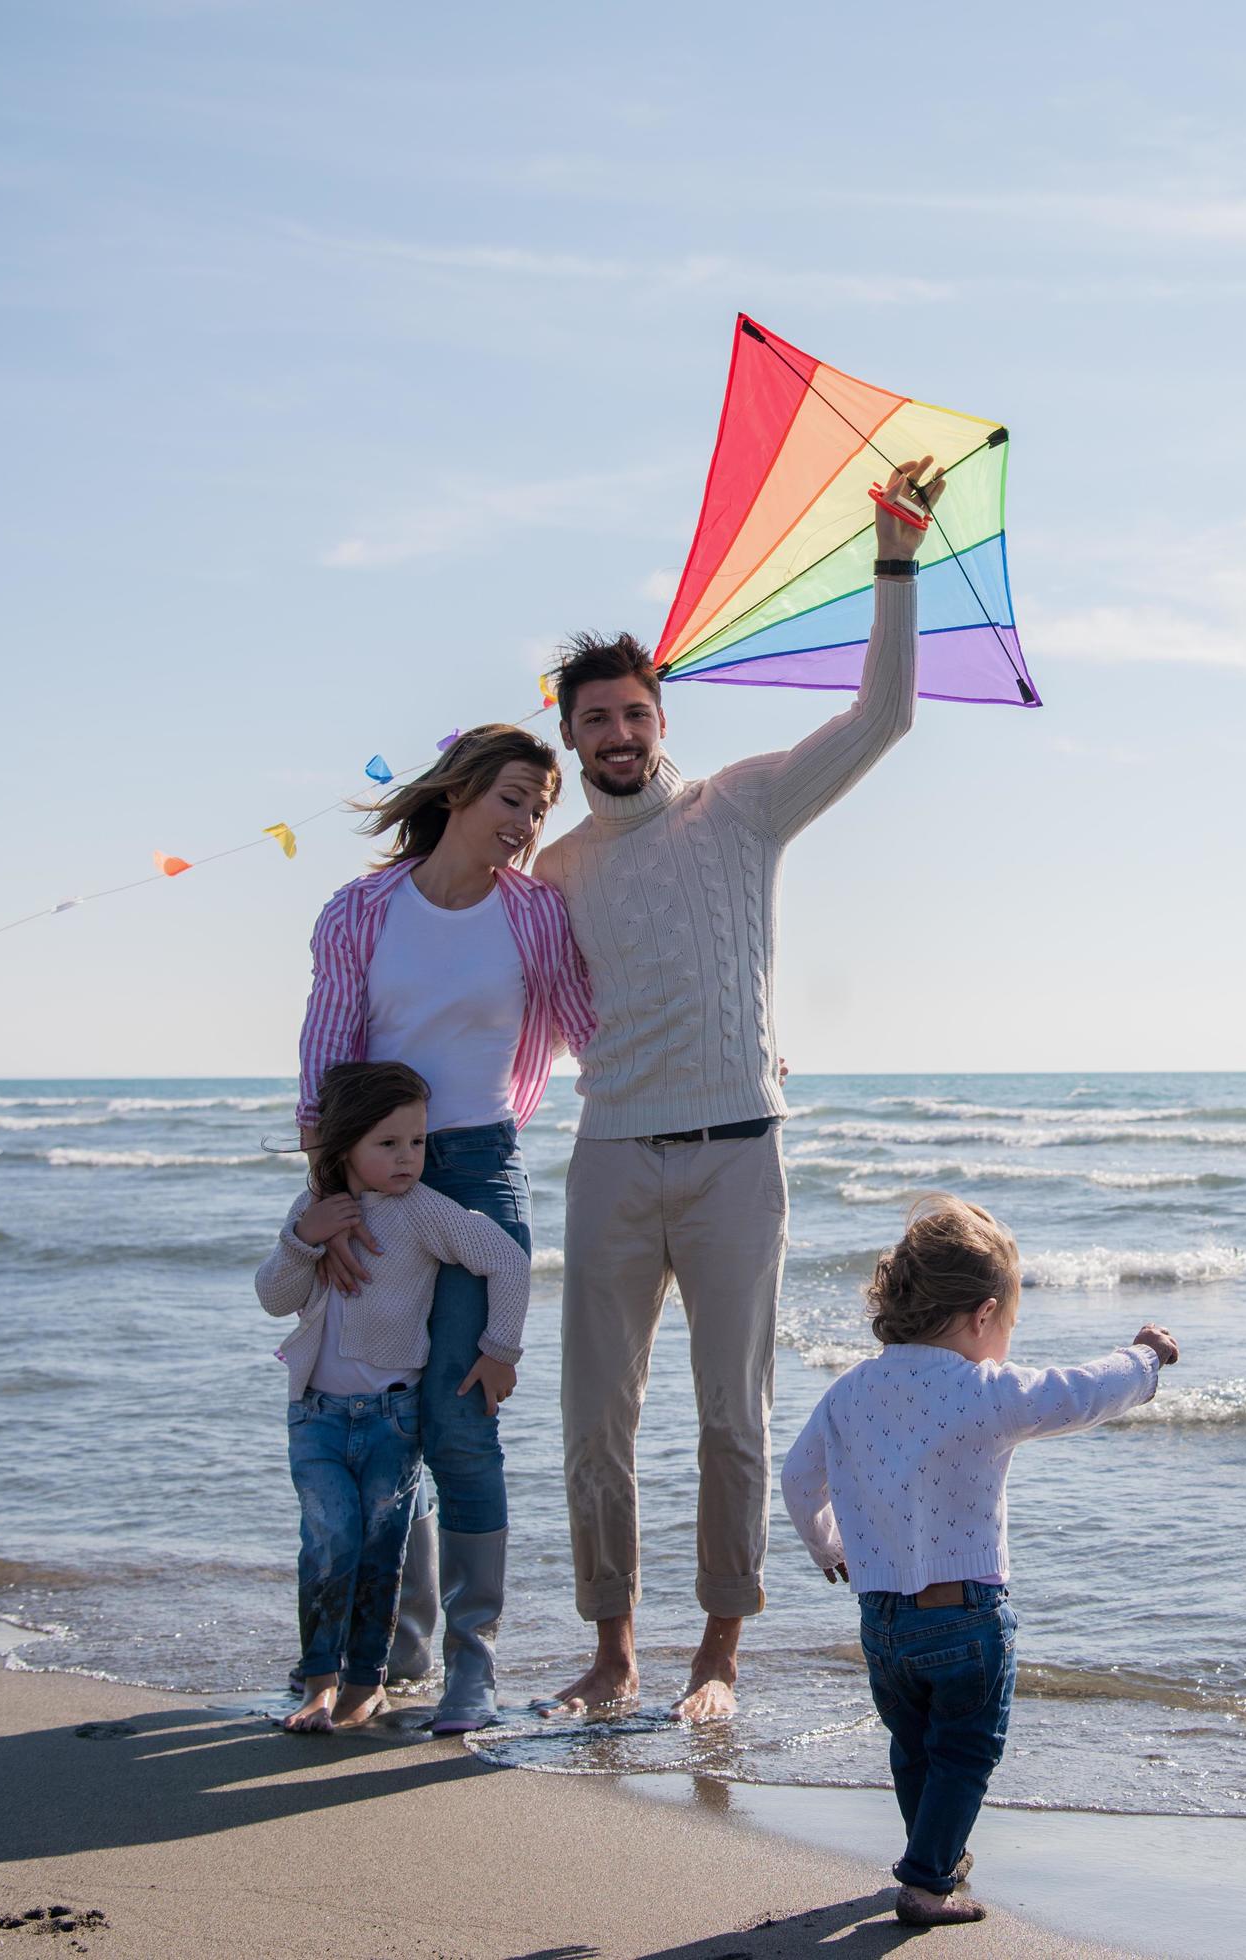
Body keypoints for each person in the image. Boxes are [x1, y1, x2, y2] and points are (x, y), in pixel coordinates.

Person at [533, 455, 948, 1721]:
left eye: (633, 714)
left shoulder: (746, 808)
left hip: (736, 1157)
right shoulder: (549, 872)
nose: (616, 735)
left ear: (664, 720)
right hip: (611, 1155)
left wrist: (894, 558)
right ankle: (613, 1651)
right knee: (596, 1426)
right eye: (593, 720)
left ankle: (719, 1651)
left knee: (732, 1418)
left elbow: (883, 719)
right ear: (570, 737)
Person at [292, 726, 595, 1732]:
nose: (524, 824)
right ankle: (394, 1648)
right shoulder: (362, 912)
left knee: (464, 1420)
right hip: (375, 1176)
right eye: (512, 798)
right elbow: (325, 1063)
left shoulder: (535, 915)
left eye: (539, 809)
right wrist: (326, 1196)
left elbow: (589, 1021)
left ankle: (473, 1659)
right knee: (386, 1414)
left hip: (483, 1174)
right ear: (459, 793)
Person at [780, 1196, 1179, 1926]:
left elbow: (798, 1479)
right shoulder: (982, 1390)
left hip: (882, 1623)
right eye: (1009, 1327)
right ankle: (927, 1882)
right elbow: (1080, 1393)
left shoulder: (848, 1391)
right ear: (981, 1315)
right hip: (964, 1618)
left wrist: (827, 1544)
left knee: (913, 1747)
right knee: (966, 1750)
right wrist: (1144, 1356)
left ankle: (931, 1856)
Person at [256, 1062, 532, 1735]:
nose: (409, 1158)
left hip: (391, 1418)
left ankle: (364, 1685)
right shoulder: (312, 1214)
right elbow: (273, 1298)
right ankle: (316, 1682)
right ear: (344, 1144)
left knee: (380, 1549)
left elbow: (509, 1260)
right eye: (388, 1144)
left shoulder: (424, 1212)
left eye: (417, 1142)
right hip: (315, 1416)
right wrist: (304, 1240)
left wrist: (500, 1348)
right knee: (328, 1542)